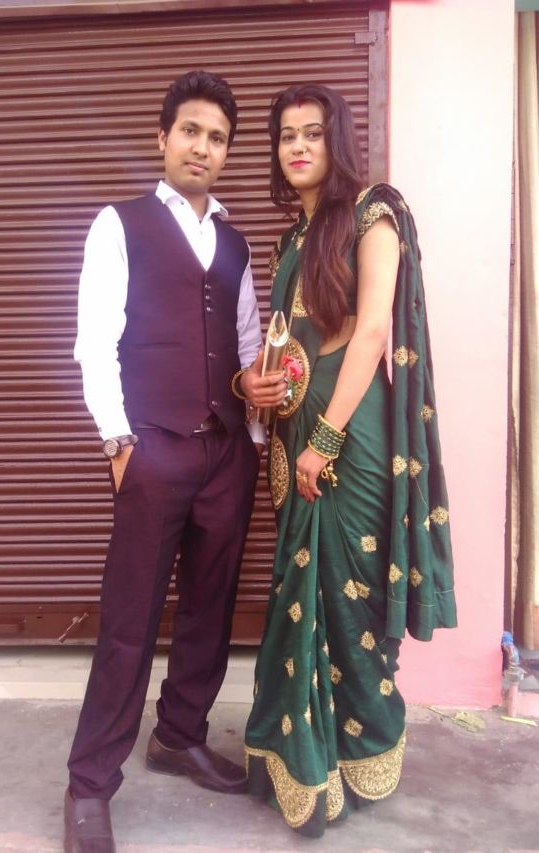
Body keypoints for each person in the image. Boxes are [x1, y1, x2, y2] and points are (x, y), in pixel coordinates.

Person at [239, 84, 457, 837]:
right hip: (295, 433)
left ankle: (359, 748)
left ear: (338, 140)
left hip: (350, 434)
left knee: (350, 591)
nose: (297, 146)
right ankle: (302, 761)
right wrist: (255, 385)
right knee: (300, 592)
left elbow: (369, 331)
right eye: (285, 135)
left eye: (312, 133)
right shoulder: (288, 240)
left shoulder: (373, 213)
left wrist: (327, 437)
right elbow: (282, 341)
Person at [65, 70, 266, 853]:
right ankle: (89, 783)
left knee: (210, 609)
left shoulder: (235, 242)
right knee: (130, 620)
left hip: (225, 451)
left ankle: (179, 734)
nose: (202, 147)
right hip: (151, 447)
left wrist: (253, 439)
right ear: (163, 136)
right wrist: (119, 442)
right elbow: (95, 340)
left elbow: (246, 345)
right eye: (191, 131)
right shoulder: (120, 224)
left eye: (217, 138)